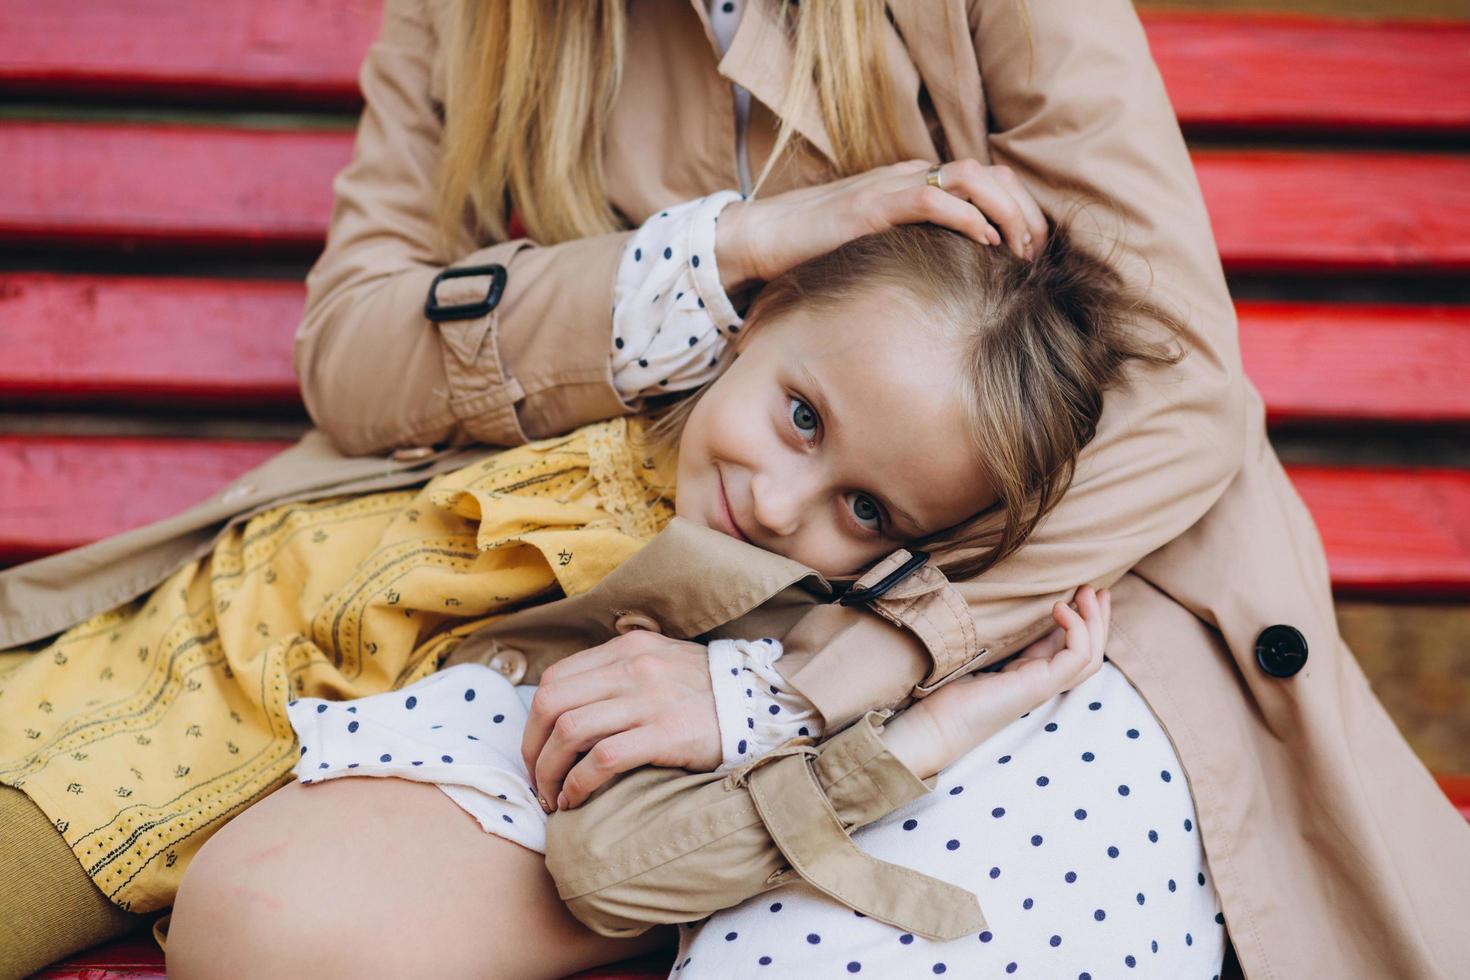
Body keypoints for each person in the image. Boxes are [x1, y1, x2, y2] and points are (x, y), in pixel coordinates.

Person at [0, 0, 1465, 977]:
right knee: (274, 920)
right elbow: (356, 349)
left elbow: (1184, 390)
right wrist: (718, 258)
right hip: (625, 589)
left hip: (1021, 607)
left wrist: (823, 678)